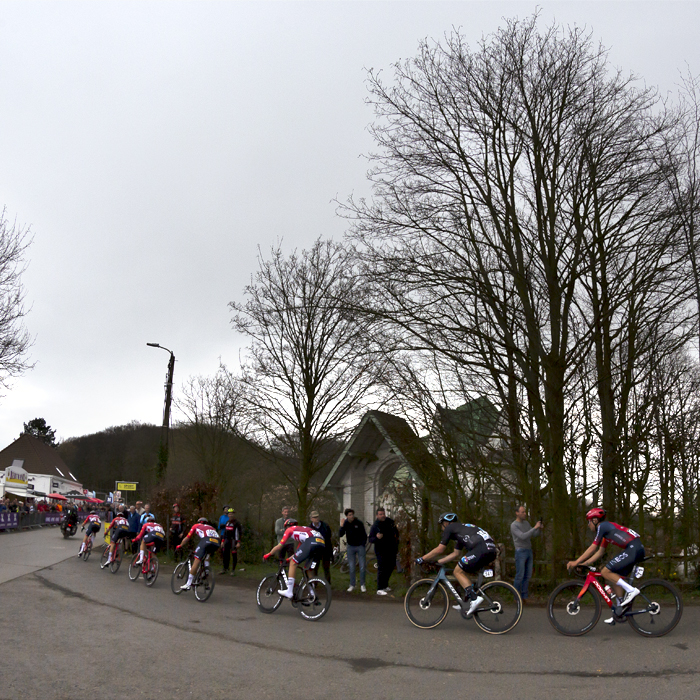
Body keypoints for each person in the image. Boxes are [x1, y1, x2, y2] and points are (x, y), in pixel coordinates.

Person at [567, 507, 645, 624]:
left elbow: (593, 548)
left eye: (589, 522)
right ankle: (619, 610)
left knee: (605, 571)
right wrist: (584, 564)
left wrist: (576, 562)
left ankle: (631, 590)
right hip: (636, 548)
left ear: (594, 520)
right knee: (614, 576)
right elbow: (599, 552)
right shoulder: (606, 532)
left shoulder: (602, 526)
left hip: (633, 548)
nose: (588, 525)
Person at [416, 513, 498, 616]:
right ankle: (467, 602)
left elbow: (440, 549)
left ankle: (474, 598)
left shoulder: (450, 528)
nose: (442, 528)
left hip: (481, 549)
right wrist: (438, 562)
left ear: (446, 523)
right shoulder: (461, 532)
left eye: (441, 524)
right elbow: (455, 553)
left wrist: (422, 559)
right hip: (490, 550)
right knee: (462, 572)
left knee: (457, 571)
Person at [263, 518, 325, 598]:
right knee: (308, 569)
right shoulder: (302, 532)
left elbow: (279, 546)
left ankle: (289, 591)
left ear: (287, 526)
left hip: (311, 541)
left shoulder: (290, 529)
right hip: (321, 543)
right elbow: (297, 553)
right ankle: (312, 594)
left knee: (293, 563)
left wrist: (268, 555)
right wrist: (288, 559)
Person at [176, 518, 221, 591]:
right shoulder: (211, 528)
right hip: (216, 542)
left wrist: (180, 545)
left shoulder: (196, 526)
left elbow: (187, 538)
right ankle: (206, 571)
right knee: (207, 554)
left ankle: (188, 584)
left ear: (198, 522)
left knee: (196, 561)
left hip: (206, 540)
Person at [510, 505, 543, 602]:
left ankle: (524, 597)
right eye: (522, 512)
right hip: (520, 551)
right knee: (520, 575)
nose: (525, 514)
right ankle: (516, 597)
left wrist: (539, 529)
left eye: (525, 512)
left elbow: (533, 535)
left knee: (527, 575)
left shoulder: (526, 523)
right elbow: (522, 536)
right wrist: (534, 528)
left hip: (528, 550)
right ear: (517, 513)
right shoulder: (514, 525)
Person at [369, 507, 399, 595]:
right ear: (377, 515)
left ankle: (385, 585)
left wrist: (396, 541)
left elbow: (396, 533)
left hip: (391, 549)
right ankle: (380, 588)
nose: (383, 516)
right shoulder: (375, 526)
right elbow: (370, 539)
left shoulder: (390, 522)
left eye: (383, 514)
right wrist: (376, 538)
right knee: (382, 568)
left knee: (390, 567)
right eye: (380, 514)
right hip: (381, 550)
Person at [338, 508, 368, 592]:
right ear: (347, 516)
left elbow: (364, 534)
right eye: (349, 515)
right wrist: (341, 525)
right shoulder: (346, 524)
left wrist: (363, 544)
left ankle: (362, 584)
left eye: (352, 515)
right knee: (351, 567)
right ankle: (352, 584)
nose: (351, 516)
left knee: (362, 566)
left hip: (360, 546)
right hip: (350, 547)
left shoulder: (359, 523)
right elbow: (340, 534)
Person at [309, 510, 332, 583]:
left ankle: (328, 583)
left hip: (325, 549)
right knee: (315, 567)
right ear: (311, 518)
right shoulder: (309, 528)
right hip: (315, 551)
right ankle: (315, 583)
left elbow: (329, 536)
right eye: (314, 517)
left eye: (317, 517)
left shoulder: (325, 526)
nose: (316, 519)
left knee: (326, 567)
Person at [220, 508, 242, 575]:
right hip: (227, 540)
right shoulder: (227, 522)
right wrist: (223, 541)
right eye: (229, 514)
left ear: (233, 514)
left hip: (234, 540)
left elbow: (239, 533)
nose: (230, 515)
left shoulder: (237, 523)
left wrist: (238, 542)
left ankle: (233, 570)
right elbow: (225, 532)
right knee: (225, 554)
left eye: (232, 514)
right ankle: (225, 568)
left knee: (234, 555)